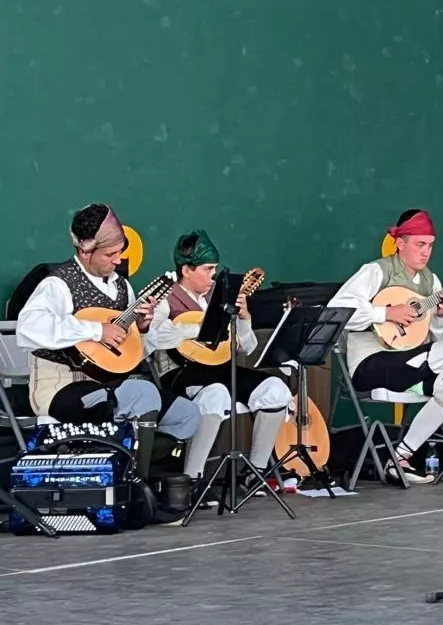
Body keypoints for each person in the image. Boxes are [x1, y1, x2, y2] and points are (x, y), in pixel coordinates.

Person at [329, 209, 443, 486]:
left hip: (410, 367)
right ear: (400, 242)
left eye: (430, 245)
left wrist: (439, 317)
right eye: (419, 244)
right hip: (370, 364)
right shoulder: (377, 271)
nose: (426, 252)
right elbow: (336, 311)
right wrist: (384, 314)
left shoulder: (432, 283)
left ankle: (400, 457)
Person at [15, 203, 201, 456]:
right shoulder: (58, 284)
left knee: (187, 415)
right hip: (61, 388)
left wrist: (143, 329)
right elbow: (28, 327)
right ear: (84, 249)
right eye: (109, 254)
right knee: (142, 392)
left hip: (114, 386)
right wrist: (96, 330)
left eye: (120, 251)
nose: (118, 259)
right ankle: (136, 482)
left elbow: (131, 354)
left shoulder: (123, 287)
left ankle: (137, 469)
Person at [151, 231, 291, 491]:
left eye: (214, 268)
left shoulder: (219, 297)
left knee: (276, 389)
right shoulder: (165, 298)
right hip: (181, 373)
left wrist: (244, 318)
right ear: (186, 270)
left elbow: (246, 348)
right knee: (216, 394)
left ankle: (255, 474)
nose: (212, 275)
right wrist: (205, 328)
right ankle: (191, 481)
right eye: (207, 269)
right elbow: (155, 336)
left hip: (221, 369)